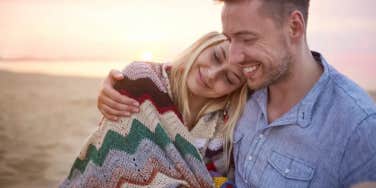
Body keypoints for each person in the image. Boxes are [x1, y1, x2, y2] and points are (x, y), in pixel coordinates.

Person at [98, 0, 376, 187]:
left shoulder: (357, 128)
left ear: (294, 26)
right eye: (229, 39)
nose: (235, 56)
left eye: (247, 38)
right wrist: (127, 81)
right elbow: (175, 84)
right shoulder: (245, 93)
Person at [62, 32, 248, 188]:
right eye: (216, 57)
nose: (211, 75)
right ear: (204, 44)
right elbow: (118, 159)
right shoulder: (142, 81)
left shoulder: (225, 128)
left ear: (236, 90)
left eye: (229, 78)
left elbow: (217, 179)